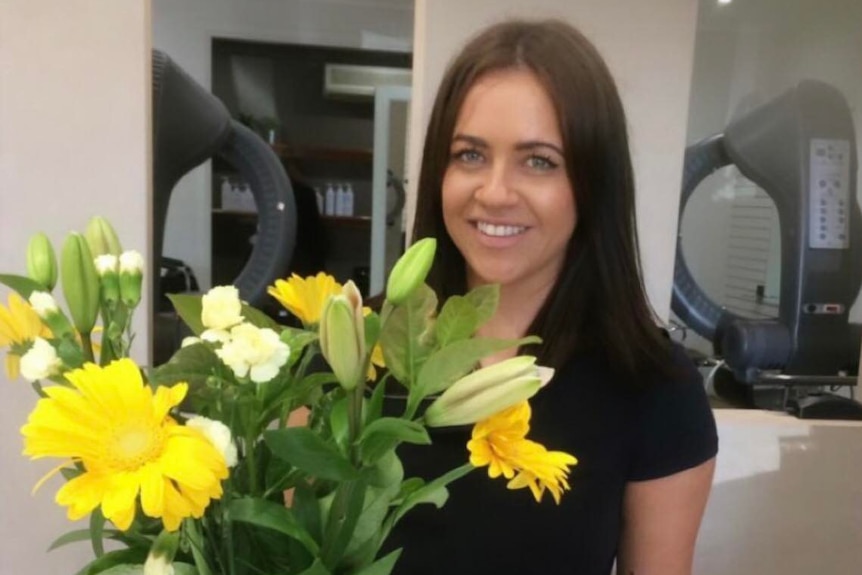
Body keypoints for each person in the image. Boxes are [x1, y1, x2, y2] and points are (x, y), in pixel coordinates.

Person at [386, 18, 718, 575]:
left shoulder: (655, 390)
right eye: (469, 154)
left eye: (539, 161)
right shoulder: (355, 353)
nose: (493, 192)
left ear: (592, 185)